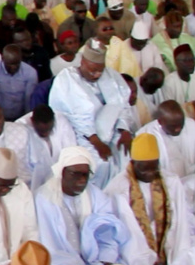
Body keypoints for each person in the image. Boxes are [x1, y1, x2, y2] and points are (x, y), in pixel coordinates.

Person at [34, 146, 157, 265]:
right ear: (62, 172)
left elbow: (107, 232)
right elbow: (49, 242)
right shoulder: (45, 198)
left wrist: (105, 262)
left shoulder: (95, 194)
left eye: (85, 175)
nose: (81, 180)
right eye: (75, 174)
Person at [49, 38, 136, 187]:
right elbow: (76, 118)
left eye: (99, 70)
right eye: (92, 70)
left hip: (113, 130)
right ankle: (98, 196)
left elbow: (122, 105)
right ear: (82, 62)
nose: (96, 75)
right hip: (82, 136)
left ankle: (122, 194)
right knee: (100, 163)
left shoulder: (111, 76)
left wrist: (125, 131)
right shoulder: (67, 79)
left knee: (128, 155)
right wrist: (97, 142)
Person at [104, 133, 194, 265]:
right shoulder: (117, 188)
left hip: (168, 253)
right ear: (133, 163)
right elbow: (126, 234)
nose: (150, 173)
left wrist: (180, 261)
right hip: (135, 260)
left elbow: (181, 224)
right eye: (144, 168)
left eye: (154, 167)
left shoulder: (171, 182)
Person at [136, 100, 195, 180]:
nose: (178, 129)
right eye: (173, 126)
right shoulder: (145, 134)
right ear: (160, 121)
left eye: (181, 124)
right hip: (166, 186)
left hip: (194, 182)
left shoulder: (192, 125)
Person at [0, 45, 38, 122]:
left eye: (17, 63)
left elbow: (29, 99)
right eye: (10, 64)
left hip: (22, 116)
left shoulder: (30, 72)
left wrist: (27, 120)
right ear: (3, 59)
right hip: (1, 116)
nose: (14, 67)